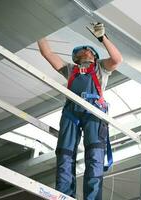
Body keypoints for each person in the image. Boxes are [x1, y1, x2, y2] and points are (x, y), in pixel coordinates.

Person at [37, 23, 122, 200]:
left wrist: (102, 38)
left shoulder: (101, 67)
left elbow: (117, 59)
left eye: (89, 50)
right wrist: (39, 28)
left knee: (95, 155)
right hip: (71, 112)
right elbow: (47, 53)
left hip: (94, 112)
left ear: (94, 55)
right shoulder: (70, 69)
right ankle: (64, 195)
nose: (85, 51)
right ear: (76, 57)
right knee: (65, 153)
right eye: (82, 51)